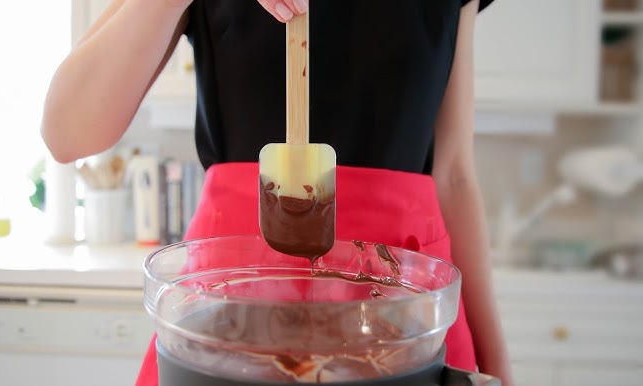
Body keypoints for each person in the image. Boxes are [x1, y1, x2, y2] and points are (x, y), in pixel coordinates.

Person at [41, 0, 514, 385]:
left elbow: (454, 177)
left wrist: (498, 367)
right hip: (232, 316)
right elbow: (68, 132)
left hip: (404, 319)